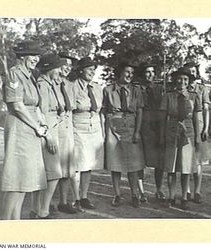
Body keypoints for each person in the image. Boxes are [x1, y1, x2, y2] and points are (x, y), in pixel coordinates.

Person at [1, 40, 47, 220]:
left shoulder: (29, 76)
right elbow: (18, 106)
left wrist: (40, 125)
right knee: (16, 181)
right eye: (33, 55)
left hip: (30, 132)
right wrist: (37, 127)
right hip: (20, 131)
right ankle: (5, 225)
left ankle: (15, 222)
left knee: (24, 182)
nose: (36, 59)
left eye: (37, 55)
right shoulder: (14, 74)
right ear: (22, 56)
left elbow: (34, 106)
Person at [102, 62, 145, 208]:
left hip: (131, 126)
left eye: (132, 73)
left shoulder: (136, 90)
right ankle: (117, 194)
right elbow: (105, 111)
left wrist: (137, 131)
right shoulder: (108, 90)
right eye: (127, 72)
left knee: (133, 164)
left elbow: (139, 111)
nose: (129, 76)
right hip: (114, 126)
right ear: (120, 73)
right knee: (116, 163)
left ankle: (135, 194)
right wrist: (105, 132)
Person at [160, 67, 201, 210]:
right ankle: (171, 196)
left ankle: (184, 197)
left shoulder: (194, 96)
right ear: (174, 80)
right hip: (171, 132)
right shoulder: (168, 96)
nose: (182, 82)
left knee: (185, 168)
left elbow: (196, 118)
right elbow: (163, 117)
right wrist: (162, 136)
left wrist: (197, 136)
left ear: (188, 81)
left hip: (188, 132)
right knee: (171, 168)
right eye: (179, 79)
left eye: (185, 79)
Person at [34, 53, 67, 219]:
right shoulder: (43, 85)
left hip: (55, 126)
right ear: (50, 69)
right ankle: (43, 210)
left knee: (50, 171)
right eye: (58, 68)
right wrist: (49, 136)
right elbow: (41, 112)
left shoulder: (51, 83)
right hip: (48, 129)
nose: (60, 71)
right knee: (53, 172)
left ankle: (40, 208)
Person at [70, 57, 104, 210]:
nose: (92, 72)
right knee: (77, 164)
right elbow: (70, 110)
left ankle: (84, 196)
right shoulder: (73, 86)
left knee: (88, 164)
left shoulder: (97, 87)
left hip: (94, 127)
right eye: (89, 69)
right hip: (78, 127)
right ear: (81, 70)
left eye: (93, 69)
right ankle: (75, 198)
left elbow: (100, 110)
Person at [52, 51, 79, 214]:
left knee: (67, 168)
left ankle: (63, 202)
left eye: (70, 65)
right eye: (64, 64)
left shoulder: (70, 85)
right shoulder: (50, 83)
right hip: (55, 128)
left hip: (68, 128)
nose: (67, 68)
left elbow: (73, 109)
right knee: (51, 168)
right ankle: (44, 203)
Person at [137, 63, 166, 202]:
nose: (150, 74)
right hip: (143, 125)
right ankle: (141, 191)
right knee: (140, 160)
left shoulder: (161, 88)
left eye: (152, 72)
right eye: (147, 72)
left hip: (158, 126)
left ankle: (159, 189)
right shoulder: (137, 88)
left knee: (159, 161)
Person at [183, 61, 210, 204]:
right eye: (188, 71)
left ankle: (197, 191)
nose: (191, 74)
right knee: (186, 159)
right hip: (186, 127)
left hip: (199, 126)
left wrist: (205, 128)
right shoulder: (182, 88)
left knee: (198, 161)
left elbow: (206, 110)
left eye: (193, 71)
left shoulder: (202, 89)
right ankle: (186, 191)